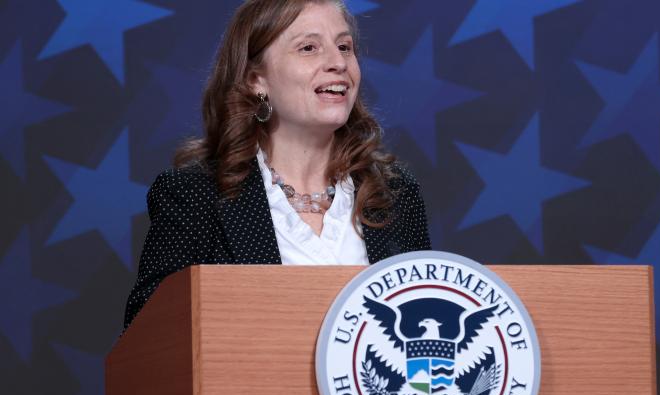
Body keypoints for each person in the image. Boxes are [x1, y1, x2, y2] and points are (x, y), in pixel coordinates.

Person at [123, 0, 431, 330]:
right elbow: (152, 340)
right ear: (257, 79)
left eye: (344, 46)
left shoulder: (394, 192)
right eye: (309, 47)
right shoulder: (195, 196)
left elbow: (424, 322)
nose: (337, 62)